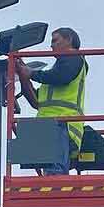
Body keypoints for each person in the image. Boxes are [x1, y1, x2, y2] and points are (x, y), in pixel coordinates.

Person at [18, 27, 88, 175]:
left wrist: (31, 73)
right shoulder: (51, 77)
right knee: (50, 174)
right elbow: (36, 102)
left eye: (55, 40)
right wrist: (24, 77)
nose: (51, 45)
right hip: (48, 127)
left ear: (69, 40)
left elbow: (61, 76)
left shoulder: (75, 58)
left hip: (63, 125)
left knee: (54, 174)